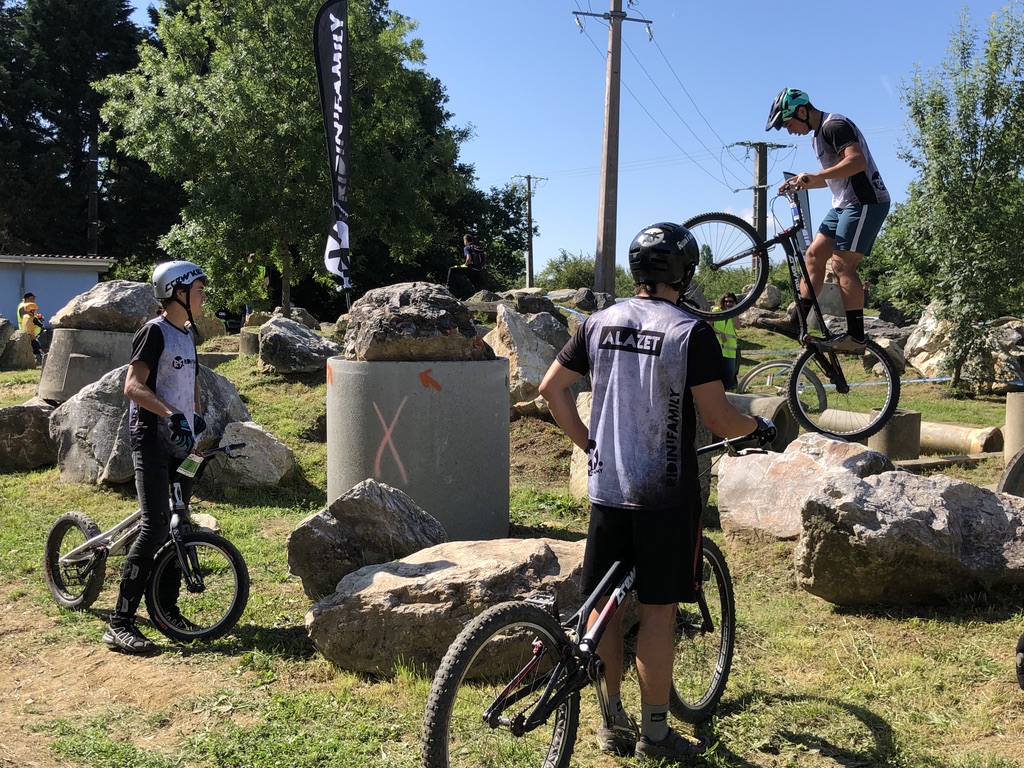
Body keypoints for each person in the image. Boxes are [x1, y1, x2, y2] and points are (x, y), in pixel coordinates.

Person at [539, 222, 775, 763]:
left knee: (605, 612)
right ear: (684, 272)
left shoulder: (597, 323)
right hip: (666, 498)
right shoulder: (692, 332)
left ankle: (610, 721)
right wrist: (756, 428)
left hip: (607, 490)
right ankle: (655, 734)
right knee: (660, 611)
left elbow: (551, 389)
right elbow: (716, 418)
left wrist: (590, 443)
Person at [103, 260, 210, 654]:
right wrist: (171, 415)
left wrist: (195, 422)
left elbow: (192, 384)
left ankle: (166, 610)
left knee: (180, 523)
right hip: (150, 441)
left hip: (181, 445)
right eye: (198, 289)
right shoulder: (154, 332)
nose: (203, 296)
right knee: (155, 526)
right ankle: (120, 622)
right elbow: (133, 386)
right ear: (178, 291)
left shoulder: (187, 336)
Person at [764, 88, 890, 353]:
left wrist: (813, 175)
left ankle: (856, 337)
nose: (789, 131)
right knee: (813, 256)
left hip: (866, 201)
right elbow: (834, 176)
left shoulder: (834, 125)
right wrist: (802, 183)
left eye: (788, 124)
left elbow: (857, 162)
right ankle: (796, 321)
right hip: (843, 203)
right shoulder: (817, 137)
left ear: (802, 111)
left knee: (842, 264)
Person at [711, 293, 739, 390]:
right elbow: (708, 324)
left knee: (730, 371)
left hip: (730, 349)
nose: (728, 303)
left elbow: (738, 326)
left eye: (731, 301)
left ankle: (727, 390)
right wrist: (719, 333)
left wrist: (734, 311)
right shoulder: (716, 311)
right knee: (717, 372)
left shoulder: (733, 313)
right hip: (717, 347)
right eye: (726, 301)